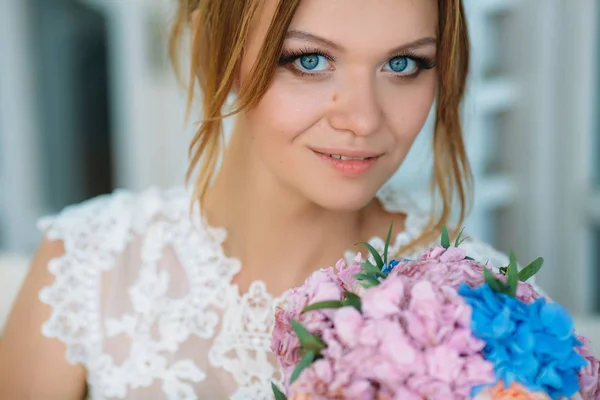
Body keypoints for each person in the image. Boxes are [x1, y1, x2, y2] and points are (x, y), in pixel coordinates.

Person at [0, 0, 531, 399]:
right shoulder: (86, 268)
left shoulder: (486, 306)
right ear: (223, 49)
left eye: (403, 65)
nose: (364, 119)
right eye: (309, 60)